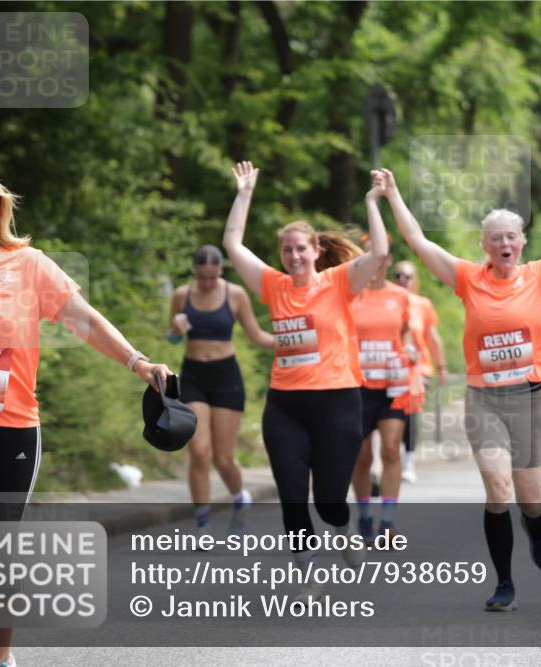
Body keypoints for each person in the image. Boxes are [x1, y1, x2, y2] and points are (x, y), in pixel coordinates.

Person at [0, 157, 173, 667]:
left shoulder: (31, 266)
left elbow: (83, 320)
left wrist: (137, 361)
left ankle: (0, 658)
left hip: (11, 431)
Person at [374, 166, 541, 610]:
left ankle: (537, 526)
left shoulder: (539, 275)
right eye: (495, 238)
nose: (504, 244)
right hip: (485, 399)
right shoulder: (467, 279)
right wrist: (394, 194)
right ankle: (504, 583)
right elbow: (419, 240)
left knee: (531, 499)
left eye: (511, 236)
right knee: (498, 489)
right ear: (484, 246)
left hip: (530, 397)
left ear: (522, 243)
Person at [221, 161, 389, 596]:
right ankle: (305, 573)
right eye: (287, 251)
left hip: (337, 401)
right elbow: (232, 243)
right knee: (292, 495)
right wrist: (244, 193)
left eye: (301, 249)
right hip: (286, 405)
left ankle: (344, 526)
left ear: (316, 250)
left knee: (330, 499)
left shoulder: (338, 282)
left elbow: (380, 253)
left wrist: (373, 202)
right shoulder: (273, 286)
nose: (294, 257)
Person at [166, 245, 277, 537]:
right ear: (195, 273)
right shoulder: (181, 295)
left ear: (219, 272)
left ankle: (240, 500)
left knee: (223, 458)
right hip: (193, 376)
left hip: (226, 377)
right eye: (202, 278)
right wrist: (176, 330)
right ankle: (202, 522)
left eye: (212, 278)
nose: (206, 283)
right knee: (200, 451)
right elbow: (172, 338)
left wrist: (288, 342)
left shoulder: (235, 294)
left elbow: (255, 335)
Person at [350, 242, 413, 543]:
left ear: (388, 259)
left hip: (392, 386)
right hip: (359, 387)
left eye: (380, 255)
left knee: (390, 449)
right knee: (361, 457)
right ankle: (364, 516)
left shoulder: (400, 296)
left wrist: (411, 347)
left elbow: (406, 331)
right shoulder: (352, 293)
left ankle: (387, 522)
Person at [392, 260, 448, 483]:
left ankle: (408, 460)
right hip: (391, 369)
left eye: (408, 276)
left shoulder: (422, 304)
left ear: (415, 280)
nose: (402, 280)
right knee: (389, 414)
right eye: (398, 275)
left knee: (410, 413)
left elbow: (432, 338)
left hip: (418, 368)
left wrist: (441, 366)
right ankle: (388, 457)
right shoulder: (385, 299)